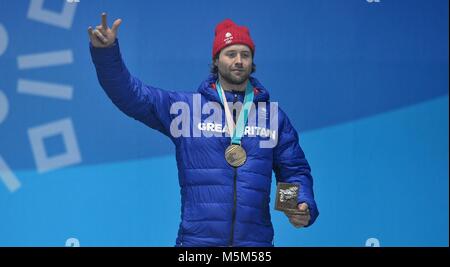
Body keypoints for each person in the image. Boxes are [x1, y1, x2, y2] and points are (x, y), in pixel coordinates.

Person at [88, 13, 319, 247]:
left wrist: (298, 207)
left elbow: (292, 170)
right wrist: (106, 53)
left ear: (252, 62)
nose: (239, 60)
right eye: (231, 54)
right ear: (216, 61)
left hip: (255, 246)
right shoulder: (186, 110)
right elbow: (131, 95)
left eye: (245, 55)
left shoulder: (272, 116)